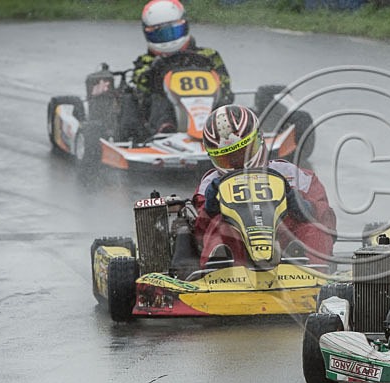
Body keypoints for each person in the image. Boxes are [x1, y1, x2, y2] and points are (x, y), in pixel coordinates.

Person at [192, 104, 336, 267]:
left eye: (243, 152)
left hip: (286, 246)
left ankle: (311, 270)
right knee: (219, 228)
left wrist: (306, 208)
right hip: (238, 259)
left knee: (314, 229)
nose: (238, 162)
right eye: (228, 158)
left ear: (259, 139)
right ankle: (219, 270)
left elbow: (327, 219)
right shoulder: (209, 185)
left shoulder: (293, 175)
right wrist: (209, 210)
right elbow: (198, 232)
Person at [121, 0, 233, 138]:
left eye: (173, 31)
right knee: (159, 99)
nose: (168, 38)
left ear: (184, 26)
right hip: (166, 115)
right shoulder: (146, 62)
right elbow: (142, 86)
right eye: (160, 34)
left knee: (223, 102)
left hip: (209, 105)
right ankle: (165, 130)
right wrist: (155, 72)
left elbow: (225, 84)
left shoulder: (208, 55)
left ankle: (225, 128)